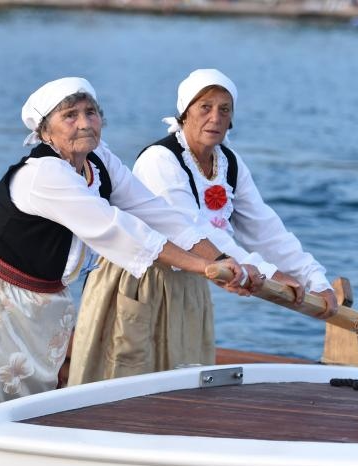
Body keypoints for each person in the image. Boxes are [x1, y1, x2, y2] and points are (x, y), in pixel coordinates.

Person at [0, 77, 254, 403]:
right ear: (45, 131)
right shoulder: (43, 174)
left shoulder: (99, 159)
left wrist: (221, 258)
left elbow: (156, 213)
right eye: (69, 116)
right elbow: (121, 231)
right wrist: (205, 267)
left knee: (27, 390)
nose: (84, 123)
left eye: (91, 113)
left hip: (43, 297)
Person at [69, 69, 338, 386]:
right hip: (139, 281)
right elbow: (189, 229)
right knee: (126, 376)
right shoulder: (160, 160)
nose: (215, 117)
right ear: (184, 114)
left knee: (184, 378)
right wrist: (263, 271)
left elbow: (267, 229)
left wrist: (315, 279)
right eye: (205, 108)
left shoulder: (230, 163)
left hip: (195, 280)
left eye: (224, 109)